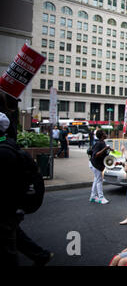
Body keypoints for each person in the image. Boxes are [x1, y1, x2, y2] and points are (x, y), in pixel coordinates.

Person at [0, 112, 53, 266]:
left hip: (6, 208)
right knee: (14, 234)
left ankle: (40, 255)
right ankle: (40, 255)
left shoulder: (4, 151)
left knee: (7, 247)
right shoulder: (8, 146)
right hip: (10, 209)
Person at [89, 130, 111, 204]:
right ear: (102, 135)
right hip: (96, 165)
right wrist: (105, 148)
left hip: (96, 164)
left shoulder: (102, 143)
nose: (106, 134)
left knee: (96, 179)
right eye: (104, 133)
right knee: (99, 181)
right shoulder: (99, 143)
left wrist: (108, 149)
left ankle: (93, 196)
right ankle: (101, 198)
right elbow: (96, 154)